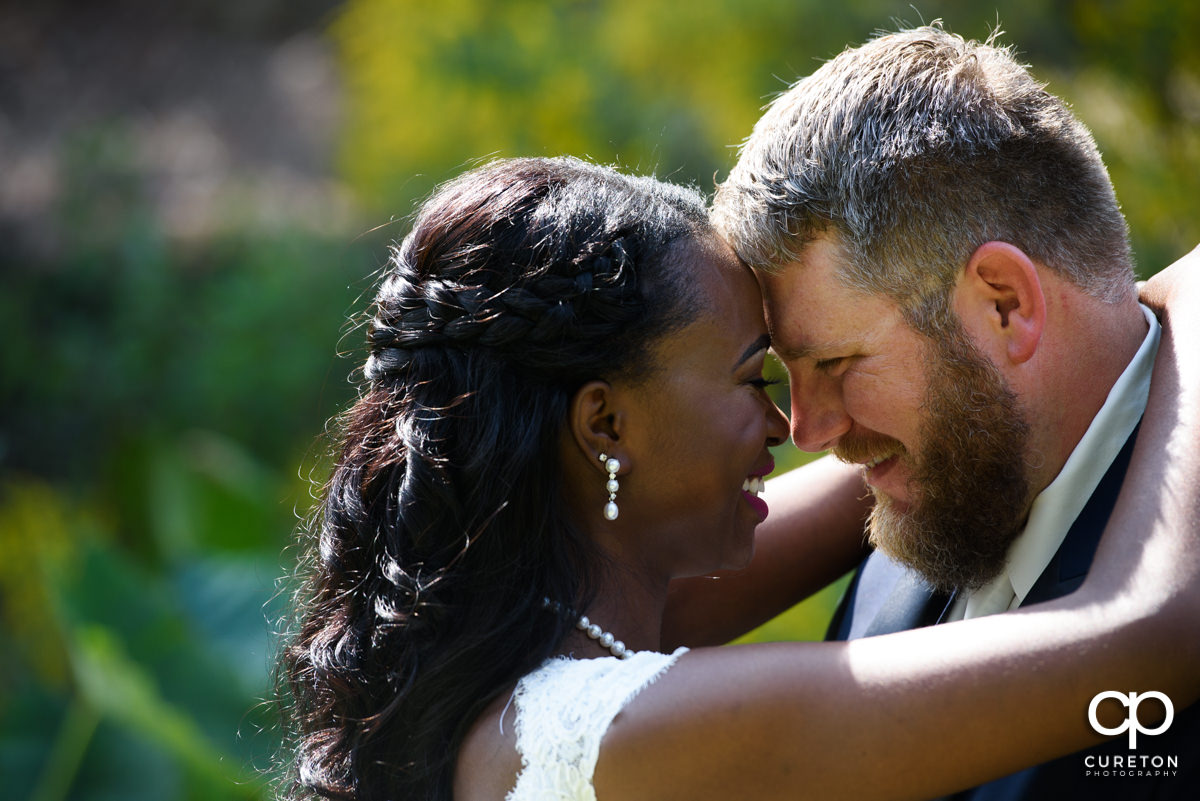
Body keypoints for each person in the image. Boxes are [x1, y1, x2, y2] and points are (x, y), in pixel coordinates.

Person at [278, 155, 1200, 801]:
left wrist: (1083, 328)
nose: (795, 425)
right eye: (753, 376)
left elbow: (932, 449)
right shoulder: (620, 731)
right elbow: (1147, 634)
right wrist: (1187, 318)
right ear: (606, 422)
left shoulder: (526, 629)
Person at [709, 24, 1200, 799]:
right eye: (783, 376)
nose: (806, 429)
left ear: (1005, 303)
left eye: (834, 363)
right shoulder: (901, 547)